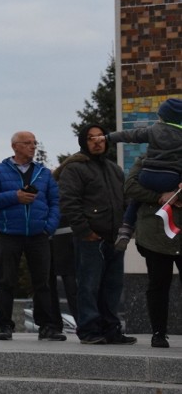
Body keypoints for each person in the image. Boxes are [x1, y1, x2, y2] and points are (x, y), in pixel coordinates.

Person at [56, 124, 136, 345]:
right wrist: (85, 231)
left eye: (100, 137)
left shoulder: (114, 169)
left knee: (112, 287)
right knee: (89, 286)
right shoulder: (75, 168)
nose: (97, 141)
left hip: (115, 238)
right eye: (91, 138)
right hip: (90, 239)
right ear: (84, 141)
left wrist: (126, 228)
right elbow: (69, 202)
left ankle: (111, 330)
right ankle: (89, 330)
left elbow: (126, 200)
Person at [0, 131, 64, 341]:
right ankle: (4, 325)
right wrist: (14, 196)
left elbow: (55, 202)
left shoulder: (44, 173)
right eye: (27, 143)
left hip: (39, 234)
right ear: (15, 146)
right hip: (10, 233)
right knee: (6, 280)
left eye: (34, 143)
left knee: (42, 282)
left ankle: (46, 326)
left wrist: (49, 227)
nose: (32, 146)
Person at [106, 97, 182, 249]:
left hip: (147, 175)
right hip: (171, 178)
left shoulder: (153, 131)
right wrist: (175, 194)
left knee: (136, 200)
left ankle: (126, 229)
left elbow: (130, 135)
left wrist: (108, 137)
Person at [125, 156, 182, 348]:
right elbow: (131, 186)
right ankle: (158, 333)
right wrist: (160, 197)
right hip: (154, 234)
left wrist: (177, 195)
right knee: (158, 284)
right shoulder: (146, 159)